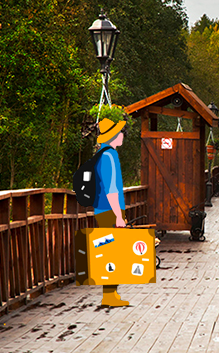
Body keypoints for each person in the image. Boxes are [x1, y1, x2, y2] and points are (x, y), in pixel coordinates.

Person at [94, 117, 129, 307]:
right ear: (114, 136)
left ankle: (111, 292)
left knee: (110, 252)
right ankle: (108, 294)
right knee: (111, 253)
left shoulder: (102, 154)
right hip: (109, 210)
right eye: (120, 132)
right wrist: (118, 215)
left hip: (103, 209)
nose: (123, 135)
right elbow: (111, 189)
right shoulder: (109, 156)